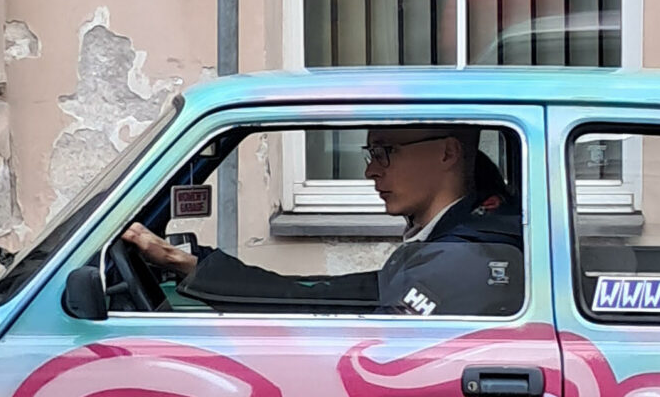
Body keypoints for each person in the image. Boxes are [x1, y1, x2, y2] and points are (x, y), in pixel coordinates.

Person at [122, 125, 523, 317]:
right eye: (371, 154)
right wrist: (192, 265)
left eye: (384, 152)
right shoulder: (453, 239)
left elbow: (371, 347)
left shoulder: (465, 259)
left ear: (447, 153)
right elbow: (330, 294)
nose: (370, 171)